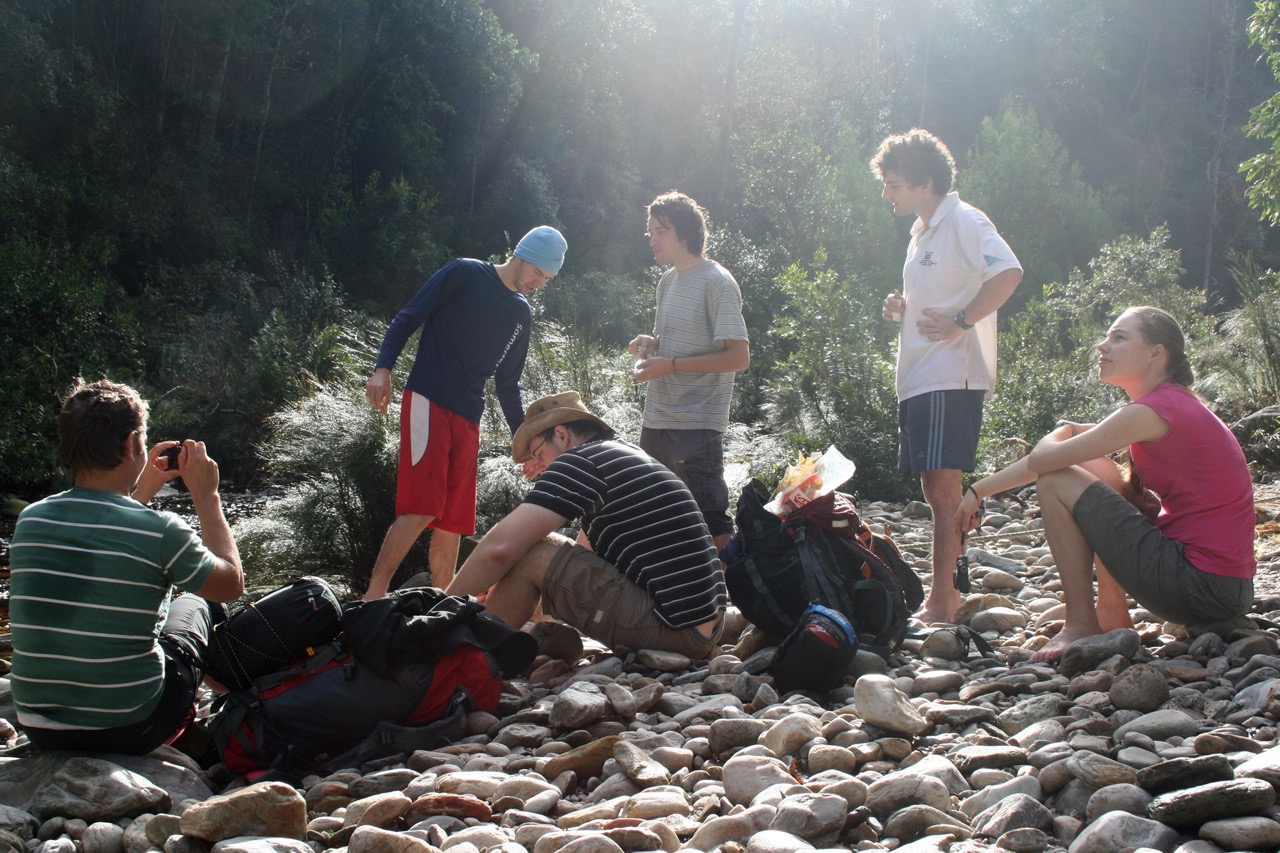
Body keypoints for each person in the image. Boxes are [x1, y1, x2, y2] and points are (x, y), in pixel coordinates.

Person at [955, 307, 1256, 663]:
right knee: (1094, 466)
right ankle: (1112, 613)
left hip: (1199, 586)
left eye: (1119, 337)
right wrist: (979, 490)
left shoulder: (1151, 412)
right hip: (1224, 589)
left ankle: (1081, 624)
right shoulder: (1168, 404)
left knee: (1056, 479)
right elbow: (1072, 448)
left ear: (1156, 353)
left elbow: (1043, 461)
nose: (1102, 345)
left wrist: (1064, 431)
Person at [8, 379, 244, 754]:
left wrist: (140, 491)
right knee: (197, 602)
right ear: (132, 444)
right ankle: (240, 703)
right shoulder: (161, 529)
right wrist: (207, 496)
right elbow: (230, 585)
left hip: (41, 728)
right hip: (132, 724)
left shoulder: (31, 519)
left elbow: (108, 534)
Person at [363, 226, 568, 599]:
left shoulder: (520, 313)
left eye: (547, 279)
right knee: (422, 508)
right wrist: (383, 368)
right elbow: (408, 316)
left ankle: (445, 602)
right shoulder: (465, 273)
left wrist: (529, 446)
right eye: (537, 272)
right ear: (520, 255)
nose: (538, 282)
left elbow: (508, 386)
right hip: (428, 399)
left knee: (453, 522)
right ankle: (372, 596)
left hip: (469, 416)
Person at [444, 391, 728, 659]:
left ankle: (468, 655)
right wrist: (502, 586)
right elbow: (580, 562)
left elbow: (500, 549)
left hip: (674, 629)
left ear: (561, 434)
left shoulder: (581, 461)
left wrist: (441, 608)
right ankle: (481, 645)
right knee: (539, 550)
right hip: (703, 628)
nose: (540, 469)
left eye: (539, 455)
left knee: (532, 551)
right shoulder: (621, 455)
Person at [871, 129, 1023, 623]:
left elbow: (1008, 272)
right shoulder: (921, 233)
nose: (887, 194)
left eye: (894, 184)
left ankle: (945, 600)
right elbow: (942, 291)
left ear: (925, 183)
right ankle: (947, 593)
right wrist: (903, 306)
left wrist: (962, 321)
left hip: (950, 375)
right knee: (934, 491)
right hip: (920, 376)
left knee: (942, 491)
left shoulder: (963, 220)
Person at [628, 191, 749, 551]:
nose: (653, 239)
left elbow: (738, 356)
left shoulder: (718, 282)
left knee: (710, 521)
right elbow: (674, 341)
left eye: (661, 231)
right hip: (657, 419)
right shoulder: (667, 281)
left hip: (697, 423)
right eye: (650, 232)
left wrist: (672, 365)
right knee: (658, 517)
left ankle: (733, 584)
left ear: (685, 232)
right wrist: (651, 343)